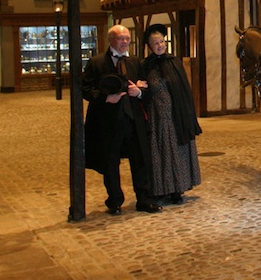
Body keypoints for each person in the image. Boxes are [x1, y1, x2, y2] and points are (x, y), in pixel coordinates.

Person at [82, 24, 162, 215]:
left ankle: (143, 199)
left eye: (127, 38)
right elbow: (85, 88)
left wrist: (139, 92)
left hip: (133, 119)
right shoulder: (96, 62)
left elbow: (146, 87)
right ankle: (115, 200)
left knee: (140, 160)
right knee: (110, 161)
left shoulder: (135, 62)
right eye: (121, 38)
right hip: (108, 122)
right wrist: (105, 98)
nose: (125, 42)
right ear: (111, 40)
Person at [141, 24, 202, 205]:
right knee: (159, 152)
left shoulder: (174, 62)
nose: (160, 45)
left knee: (177, 151)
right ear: (149, 46)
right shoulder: (145, 66)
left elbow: (183, 89)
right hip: (156, 117)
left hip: (175, 116)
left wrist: (187, 113)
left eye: (161, 41)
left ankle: (177, 188)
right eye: (155, 43)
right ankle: (161, 188)